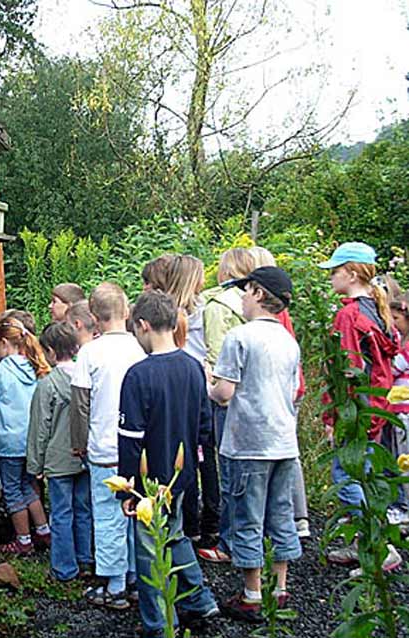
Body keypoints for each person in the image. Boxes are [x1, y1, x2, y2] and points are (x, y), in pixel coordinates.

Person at [118, 291, 219, 637]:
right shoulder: (193, 366)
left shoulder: (138, 375)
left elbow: (130, 436)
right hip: (183, 475)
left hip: (150, 483)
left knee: (150, 554)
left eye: (136, 330)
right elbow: (205, 425)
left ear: (143, 325)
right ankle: (198, 601)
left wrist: (127, 488)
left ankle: (160, 624)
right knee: (176, 537)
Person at [207, 267, 302, 622]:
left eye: (245, 291)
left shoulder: (239, 337)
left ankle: (251, 594)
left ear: (259, 294)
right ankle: (280, 588)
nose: (242, 298)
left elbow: (224, 393)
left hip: (248, 443)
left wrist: (207, 383)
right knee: (281, 514)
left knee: (247, 516)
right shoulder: (289, 341)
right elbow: (292, 392)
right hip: (283, 442)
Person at [318, 242, 402, 572]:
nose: (331, 278)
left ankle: (381, 545)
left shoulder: (350, 316)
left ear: (351, 274)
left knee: (347, 477)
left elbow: (345, 371)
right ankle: (361, 544)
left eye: (335, 272)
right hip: (375, 407)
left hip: (355, 411)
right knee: (365, 472)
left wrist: (332, 415)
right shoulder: (378, 312)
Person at [70, 282, 146, 609]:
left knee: (107, 517)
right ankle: (133, 578)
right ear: (127, 312)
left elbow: (80, 404)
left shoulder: (89, 352)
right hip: (137, 448)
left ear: (94, 317)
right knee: (135, 513)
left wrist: (78, 442)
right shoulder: (140, 349)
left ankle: (113, 587)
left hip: (102, 447)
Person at [0, 318, 52, 555]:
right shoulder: (34, 367)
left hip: (8, 443)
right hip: (30, 441)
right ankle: (44, 532)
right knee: (28, 486)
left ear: (4, 343)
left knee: (12, 491)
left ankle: (24, 541)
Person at [198, 247, 255, 564]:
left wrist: (211, 383)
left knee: (229, 469)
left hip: (227, 393)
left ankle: (229, 539)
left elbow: (220, 358)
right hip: (253, 395)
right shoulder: (255, 304)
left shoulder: (219, 305)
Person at [249, 246, 310, 538]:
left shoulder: (272, 318)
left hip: (280, 391)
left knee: (282, 454)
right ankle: (291, 519)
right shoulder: (281, 312)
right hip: (291, 385)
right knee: (287, 451)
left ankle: (293, 517)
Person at [27, 322, 93, 581]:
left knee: (61, 513)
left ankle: (64, 568)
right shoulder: (85, 376)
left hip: (57, 459)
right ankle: (86, 559)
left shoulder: (47, 384)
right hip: (85, 455)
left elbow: (40, 428)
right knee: (84, 509)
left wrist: (35, 465)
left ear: (51, 352)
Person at [165, 255, 219, 545]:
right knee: (206, 453)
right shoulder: (204, 308)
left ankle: (189, 522)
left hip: (176, 382)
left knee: (181, 454)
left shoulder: (167, 309)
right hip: (199, 380)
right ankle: (211, 520)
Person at [389, 291, 409, 524]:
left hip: (404, 410)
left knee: (403, 460)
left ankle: (404, 508)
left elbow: (394, 368)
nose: (393, 323)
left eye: (396, 318)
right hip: (396, 409)